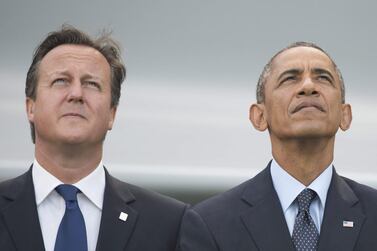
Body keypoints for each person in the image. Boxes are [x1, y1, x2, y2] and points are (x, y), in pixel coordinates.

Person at [0, 25, 186, 251]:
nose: (76, 94)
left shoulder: (168, 223)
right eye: (61, 81)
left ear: (111, 114)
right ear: (31, 107)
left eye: (91, 84)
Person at [177, 42, 377, 250]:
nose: (308, 86)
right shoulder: (210, 223)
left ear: (345, 116)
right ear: (259, 116)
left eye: (323, 78)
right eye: (290, 78)